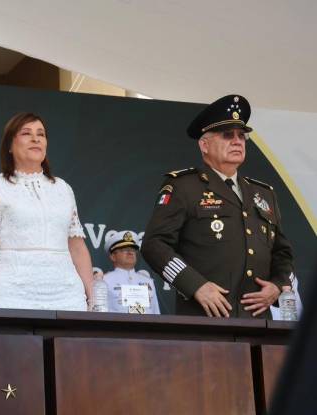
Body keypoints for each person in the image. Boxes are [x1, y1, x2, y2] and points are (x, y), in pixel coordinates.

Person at [141, 94, 294, 318]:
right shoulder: (184, 186)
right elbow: (154, 245)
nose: (237, 141)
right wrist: (195, 286)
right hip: (205, 318)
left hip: (258, 322)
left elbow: (283, 254)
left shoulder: (263, 193)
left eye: (242, 136)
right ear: (204, 145)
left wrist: (278, 286)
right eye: (227, 135)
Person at [0, 112, 93, 310]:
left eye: (41, 134)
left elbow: (77, 247)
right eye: (26, 133)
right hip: (11, 294)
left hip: (68, 296)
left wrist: (92, 299)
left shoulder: (63, 188)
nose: (36, 139)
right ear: (10, 145)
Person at [102, 230, 160, 314]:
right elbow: (100, 314)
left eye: (133, 249)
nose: (130, 252)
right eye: (124, 249)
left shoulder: (148, 281)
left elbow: (156, 313)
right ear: (113, 256)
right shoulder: (105, 281)